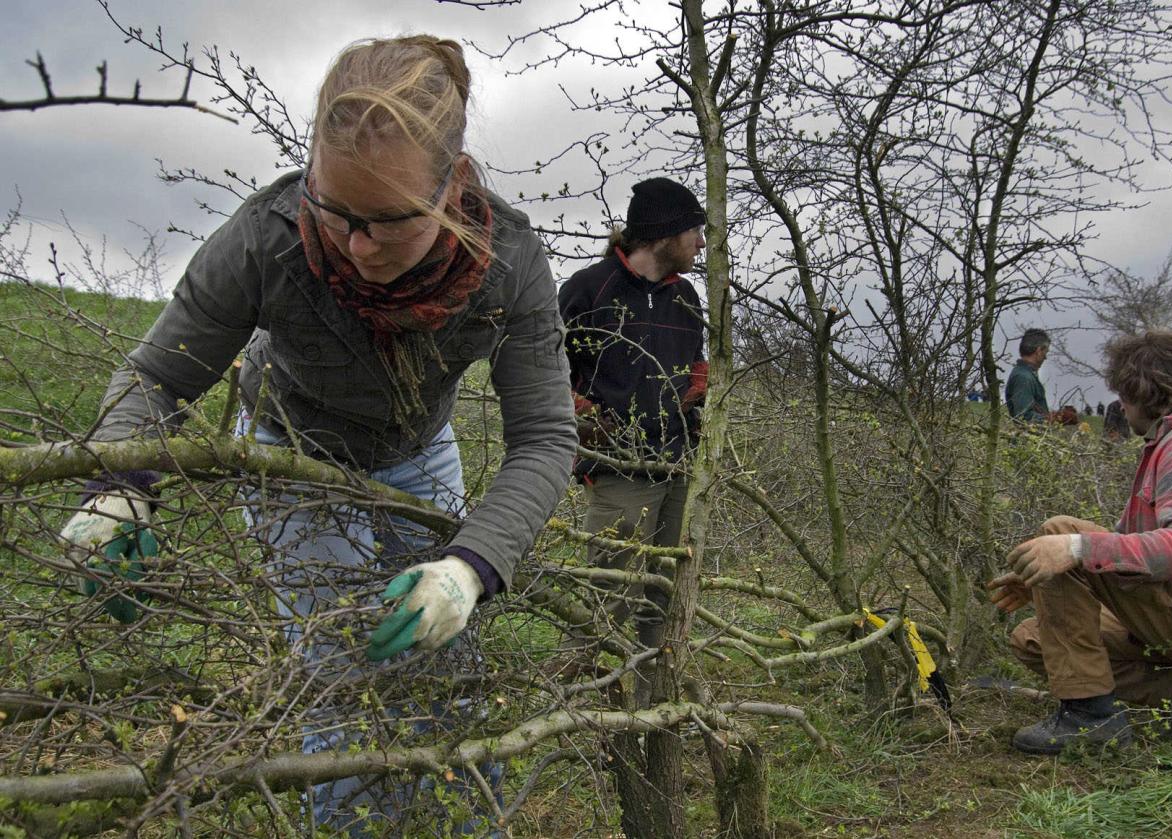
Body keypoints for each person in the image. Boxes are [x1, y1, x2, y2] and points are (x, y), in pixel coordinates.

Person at [57, 35, 576, 836]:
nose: (355, 244)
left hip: (419, 453)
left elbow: (544, 435)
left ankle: (467, 821)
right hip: (291, 449)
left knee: (448, 666)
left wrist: (472, 568)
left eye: (387, 221)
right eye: (334, 211)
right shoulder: (269, 236)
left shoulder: (505, 262)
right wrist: (119, 485)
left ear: (453, 186)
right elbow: (160, 374)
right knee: (345, 663)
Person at [989, 331, 1172, 755]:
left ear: (1143, 391)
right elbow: (1129, 546)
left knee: (1059, 531)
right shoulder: (1170, 442)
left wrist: (1071, 550)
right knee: (1032, 639)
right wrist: (1042, 578)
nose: (1121, 406)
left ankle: (1089, 715)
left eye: (1123, 394)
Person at [557, 177, 708, 664]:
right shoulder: (586, 290)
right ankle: (573, 709)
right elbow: (546, 372)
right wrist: (586, 418)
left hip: (679, 468)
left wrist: (701, 385)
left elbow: (696, 361)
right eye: (694, 231)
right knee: (606, 603)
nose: (701, 243)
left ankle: (652, 714)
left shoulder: (686, 297)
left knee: (664, 602)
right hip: (618, 470)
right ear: (665, 233)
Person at [1005, 329, 1051, 423]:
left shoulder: (1025, 375)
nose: (1045, 357)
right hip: (1026, 436)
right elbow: (1024, 417)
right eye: (1045, 352)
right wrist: (1054, 419)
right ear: (1038, 351)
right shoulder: (1023, 378)